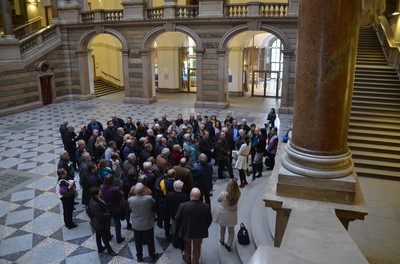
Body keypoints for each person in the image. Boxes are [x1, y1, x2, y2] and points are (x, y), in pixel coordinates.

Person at [175, 188, 212, 264]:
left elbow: (177, 218)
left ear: (190, 195)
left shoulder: (183, 206)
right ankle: (195, 261)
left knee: (187, 247)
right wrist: (203, 227)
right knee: (197, 247)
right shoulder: (206, 206)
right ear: (200, 196)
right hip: (199, 233)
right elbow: (209, 220)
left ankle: (188, 260)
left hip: (186, 231)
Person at [128, 183, 159, 262]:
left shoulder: (130, 200)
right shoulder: (148, 198)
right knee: (150, 241)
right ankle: (152, 256)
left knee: (138, 241)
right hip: (147, 224)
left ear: (135, 191)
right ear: (144, 190)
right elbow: (154, 202)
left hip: (136, 224)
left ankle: (139, 257)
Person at [89, 187, 117, 256]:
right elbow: (101, 215)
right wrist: (109, 214)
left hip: (96, 222)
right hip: (99, 222)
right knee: (105, 237)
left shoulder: (94, 199)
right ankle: (109, 250)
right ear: (96, 195)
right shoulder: (95, 204)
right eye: (99, 192)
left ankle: (100, 248)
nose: (101, 192)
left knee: (98, 235)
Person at [215, 180, 241, 252]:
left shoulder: (224, 194)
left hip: (224, 214)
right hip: (232, 214)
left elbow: (218, 200)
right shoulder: (238, 194)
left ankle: (222, 240)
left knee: (222, 228)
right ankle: (229, 244)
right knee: (231, 230)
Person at [100, 174, 125, 244]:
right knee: (117, 223)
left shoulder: (101, 187)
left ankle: (108, 236)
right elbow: (121, 195)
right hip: (115, 207)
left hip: (106, 207)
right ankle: (119, 238)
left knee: (108, 222)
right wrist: (119, 190)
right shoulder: (114, 189)